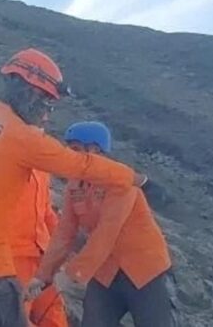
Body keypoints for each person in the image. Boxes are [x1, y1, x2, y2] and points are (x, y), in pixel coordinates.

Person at [0, 48, 149, 327]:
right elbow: (81, 165)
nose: (46, 113)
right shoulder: (20, 137)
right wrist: (135, 178)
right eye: (47, 103)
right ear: (31, 92)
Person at [26, 121, 177, 327]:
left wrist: (73, 274)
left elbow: (107, 232)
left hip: (145, 270)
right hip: (105, 273)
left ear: (95, 150)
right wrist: (43, 276)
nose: (71, 156)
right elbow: (64, 233)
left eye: (77, 150)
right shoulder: (74, 185)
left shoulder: (121, 181)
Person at [11, 168, 69, 327]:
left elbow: (47, 212)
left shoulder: (42, 171)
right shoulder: (4, 166)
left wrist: (60, 250)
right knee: (19, 314)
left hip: (43, 258)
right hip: (16, 258)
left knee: (54, 312)